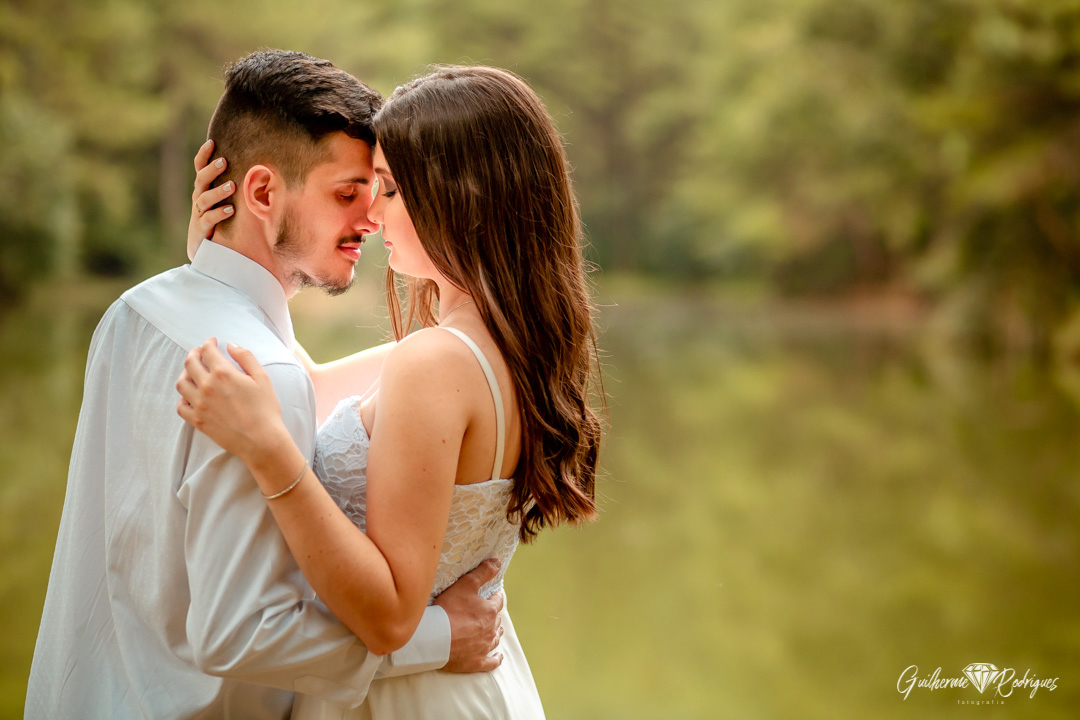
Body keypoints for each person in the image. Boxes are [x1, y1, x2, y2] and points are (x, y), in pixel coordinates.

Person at [25, 50, 504, 720]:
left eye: (378, 193)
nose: (370, 219)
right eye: (348, 194)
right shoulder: (262, 373)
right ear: (259, 192)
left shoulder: (131, 314)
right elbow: (243, 633)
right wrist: (437, 638)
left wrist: (212, 256)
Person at [176, 64, 604, 718]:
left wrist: (272, 455)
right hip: (461, 691)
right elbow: (311, 387)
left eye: (391, 188)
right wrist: (226, 258)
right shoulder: (498, 347)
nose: (372, 213)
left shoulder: (436, 361)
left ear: (465, 198)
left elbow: (391, 614)